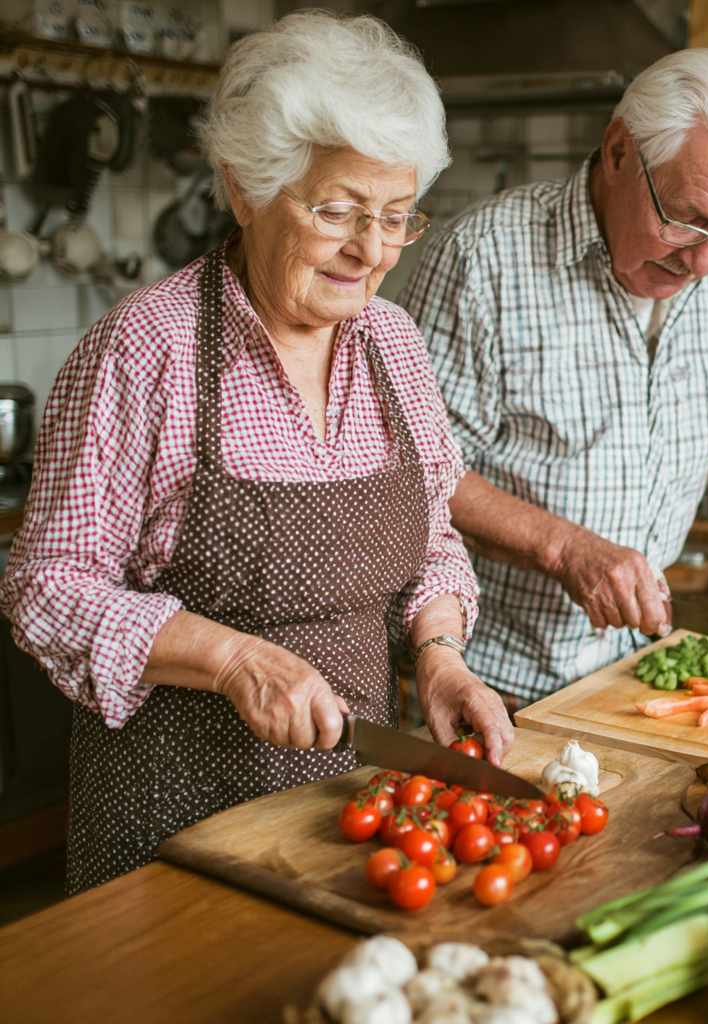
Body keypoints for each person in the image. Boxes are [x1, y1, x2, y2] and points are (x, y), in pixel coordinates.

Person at [0, 11, 513, 895]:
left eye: (397, 217)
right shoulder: (143, 350)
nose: (373, 249)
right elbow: (44, 588)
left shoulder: (394, 344)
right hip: (167, 836)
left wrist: (439, 652)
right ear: (244, 188)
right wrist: (232, 660)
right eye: (340, 211)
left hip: (347, 816)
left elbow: (430, 540)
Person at [401, 49, 708, 706]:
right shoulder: (485, 259)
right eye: (688, 217)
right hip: (497, 682)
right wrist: (566, 550)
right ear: (619, 152)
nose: (705, 259)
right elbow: (416, 471)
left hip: (645, 670)